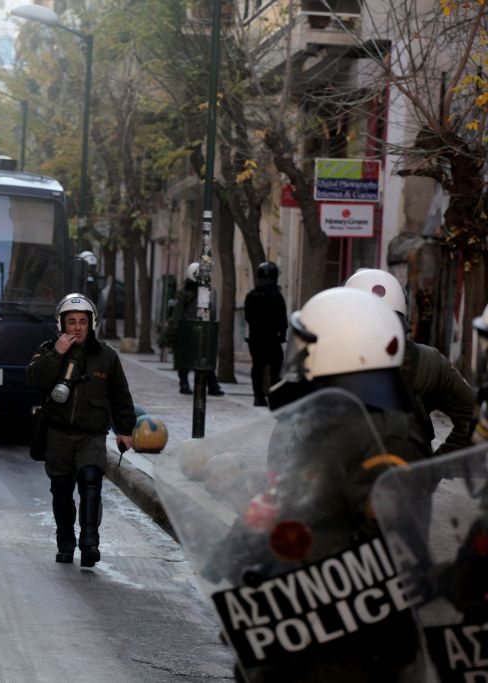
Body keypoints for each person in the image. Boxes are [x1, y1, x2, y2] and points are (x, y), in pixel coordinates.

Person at [212, 287, 429, 681]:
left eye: (305, 347)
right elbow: (311, 504)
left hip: (344, 648)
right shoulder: (331, 419)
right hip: (297, 630)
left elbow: (384, 552)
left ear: (341, 351)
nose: (296, 358)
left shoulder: (384, 436)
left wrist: (289, 580)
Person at [27, 293, 136, 567]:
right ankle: (66, 542)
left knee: (90, 480)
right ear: (62, 323)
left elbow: (120, 395)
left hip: (92, 434)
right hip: (58, 433)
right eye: (72, 321)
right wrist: (57, 354)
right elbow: (34, 378)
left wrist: (125, 429)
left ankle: (90, 542)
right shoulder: (48, 349)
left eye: (83, 322)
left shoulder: (107, 357)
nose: (77, 327)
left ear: (91, 323)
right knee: (61, 490)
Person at [344, 268, 476, 455]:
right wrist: (438, 465)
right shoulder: (430, 362)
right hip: (411, 476)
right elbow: (473, 416)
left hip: (342, 474)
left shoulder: (328, 358)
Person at [169, 262, 223, 396]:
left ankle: (211, 385)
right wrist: (176, 330)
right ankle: (185, 383)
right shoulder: (183, 293)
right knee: (185, 360)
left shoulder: (206, 292)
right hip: (189, 331)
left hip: (201, 331)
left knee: (205, 359)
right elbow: (177, 313)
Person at [244, 261, 288, 407]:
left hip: (256, 338)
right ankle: (274, 398)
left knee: (257, 367)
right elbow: (283, 319)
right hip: (272, 338)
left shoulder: (252, 295)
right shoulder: (277, 295)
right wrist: (282, 335)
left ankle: (258, 397)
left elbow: (248, 317)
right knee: (276, 368)